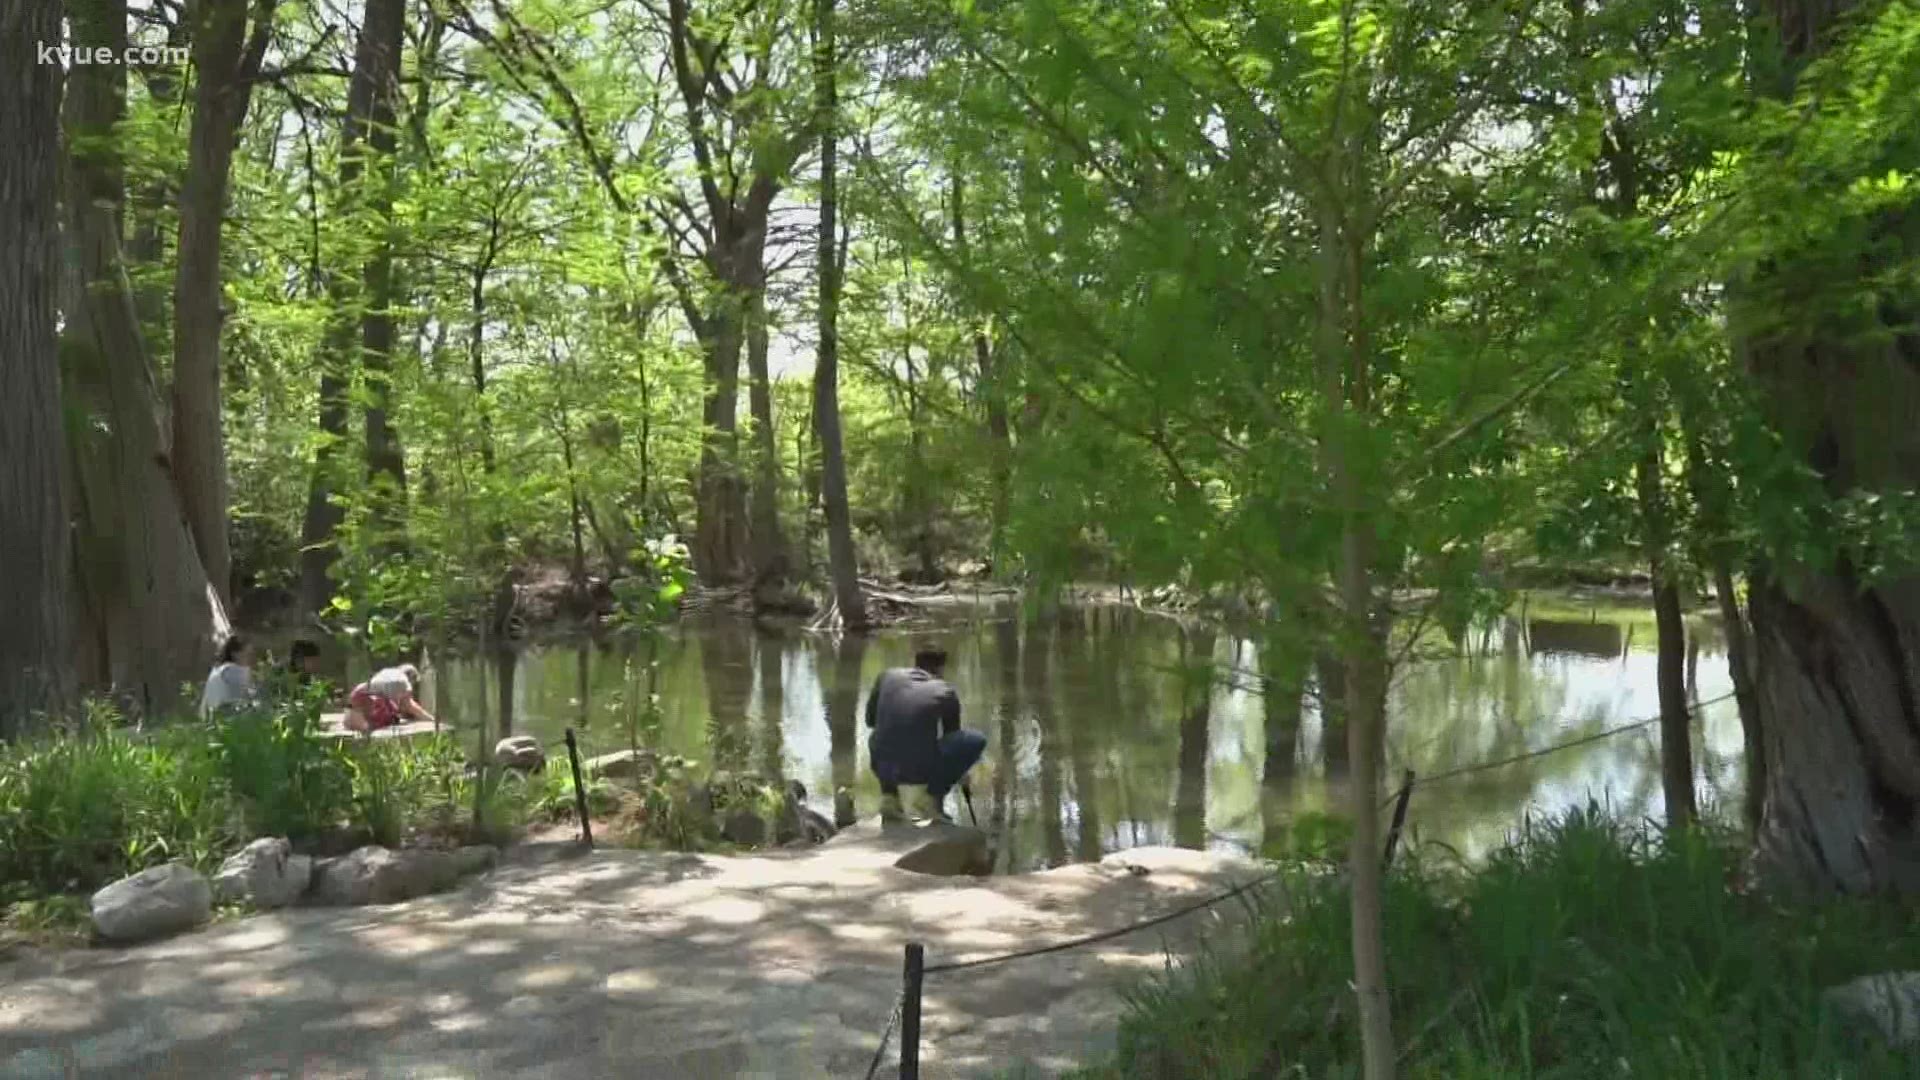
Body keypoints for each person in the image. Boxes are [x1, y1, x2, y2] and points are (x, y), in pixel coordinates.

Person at [864, 644, 987, 824]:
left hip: (882, 765)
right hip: (918, 771)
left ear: (915, 663)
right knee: (976, 740)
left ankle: (889, 799)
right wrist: (961, 771)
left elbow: (870, 721)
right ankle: (933, 804)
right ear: (940, 668)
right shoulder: (945, 691)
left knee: (879, 736)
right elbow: (953, 737)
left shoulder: (887, 675)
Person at [345, 662, 437, 732]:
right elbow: (410, 705)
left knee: (352, 727)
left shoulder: (387, 672)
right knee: (375, 726)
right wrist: (431, 719)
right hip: (369, 699)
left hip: (358, 691)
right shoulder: (403, 681)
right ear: (411, 678)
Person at [199, 634, 258, 718]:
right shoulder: (233, 670)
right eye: (247, 654)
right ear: (235, 654)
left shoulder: (220, 668)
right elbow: (251, 694)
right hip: (223, 719)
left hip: (211, 718)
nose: (250, 659)